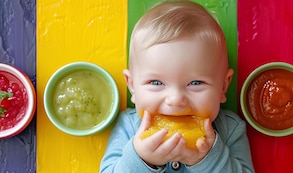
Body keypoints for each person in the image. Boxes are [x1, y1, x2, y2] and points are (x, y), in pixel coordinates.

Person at [100, 1, 254, 172]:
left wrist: (208, 160)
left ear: (223, 86)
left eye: (195, 83)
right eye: (156, 83)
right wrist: (142, 159)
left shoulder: (230, 129)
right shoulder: (129, 126)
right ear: (133, 86)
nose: (175, 100)